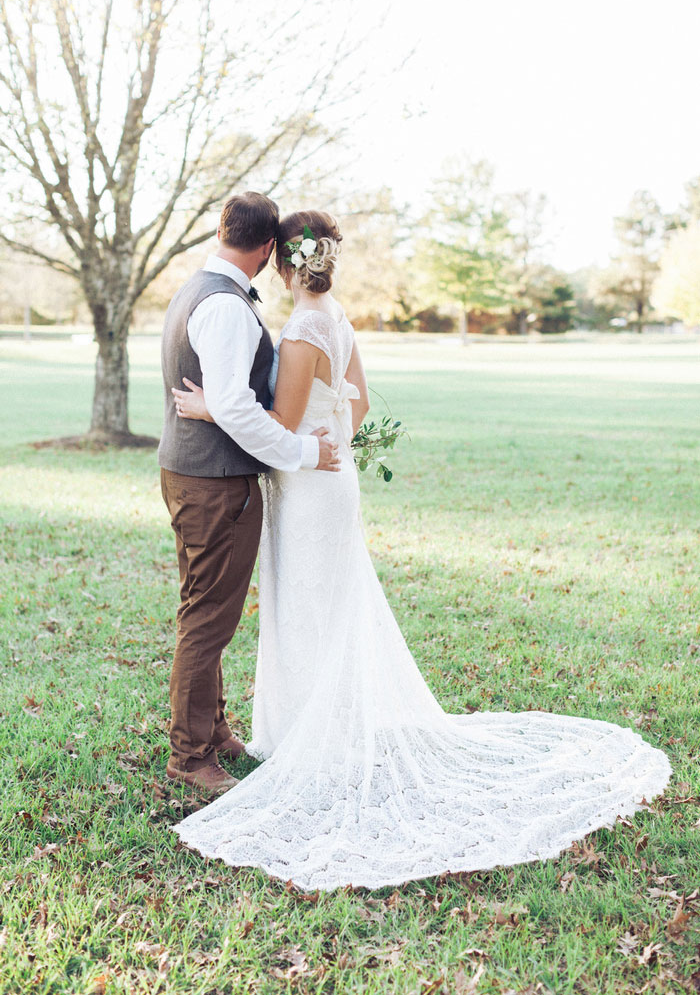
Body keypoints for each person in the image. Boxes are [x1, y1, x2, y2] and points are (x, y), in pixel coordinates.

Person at [169, 209, 672, 892]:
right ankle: (317, 726)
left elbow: (279, 422)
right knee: (331, 601)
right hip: (332, 478)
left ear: (283, 261)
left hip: (307, 483)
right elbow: (361, 404)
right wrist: (331, 440)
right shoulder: (335, 315)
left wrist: (214, 409)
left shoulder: (295, 334)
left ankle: (314, 736)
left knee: (309, 607)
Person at [158, 192, 341, 796]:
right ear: (267, 250)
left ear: (220, 231)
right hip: (216, 486)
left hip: (190, 475)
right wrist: (304, 453)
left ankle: (212, 730)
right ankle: (189, 757)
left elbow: (224, 401)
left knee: (203, 608)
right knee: (209, 618)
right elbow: (235, 405)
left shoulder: (196, 289)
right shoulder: (228, 308)